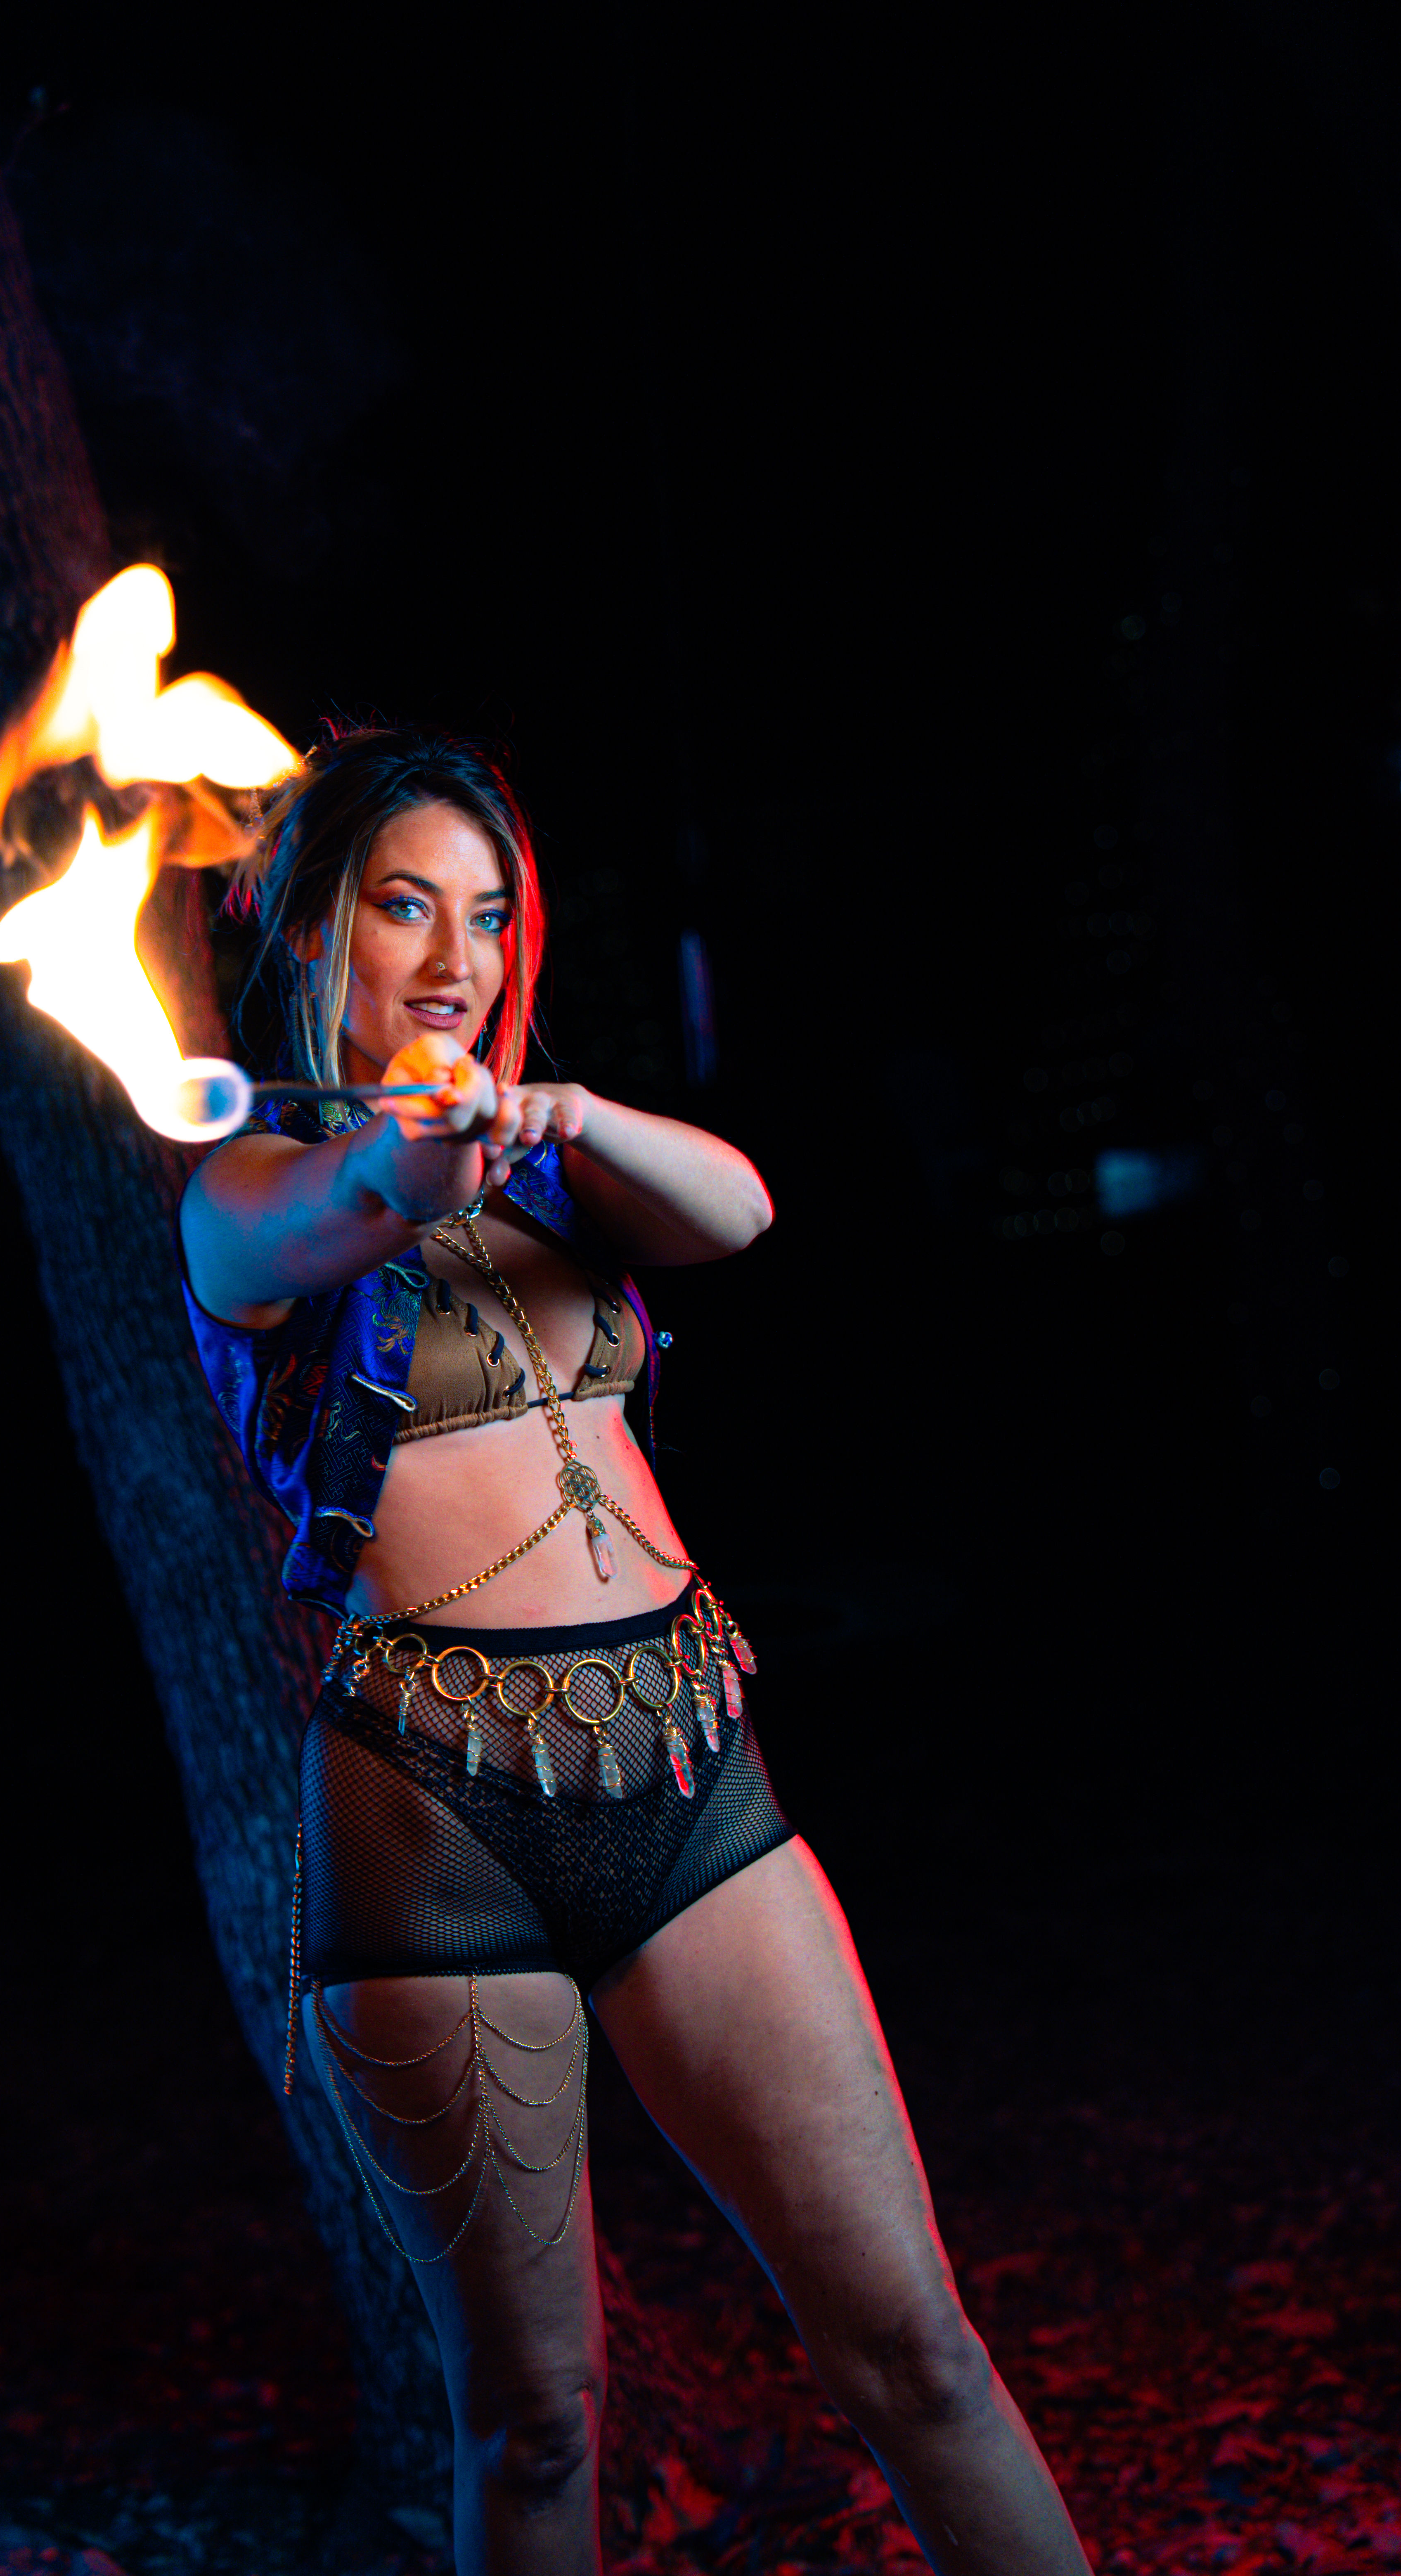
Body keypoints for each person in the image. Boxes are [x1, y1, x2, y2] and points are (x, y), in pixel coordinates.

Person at [177, 725, 1090, 2576]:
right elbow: (363, 1209)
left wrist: (568, 1116)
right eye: (402, 907)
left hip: (683, 1771)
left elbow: (739, 1209)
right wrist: (418, 1145)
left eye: (489, 915)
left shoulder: (555, 1168)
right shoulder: (245, 1187)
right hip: (433, 1822)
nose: (456, 957)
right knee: (535, 2431)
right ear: (308, 935)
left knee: (917, 2349)